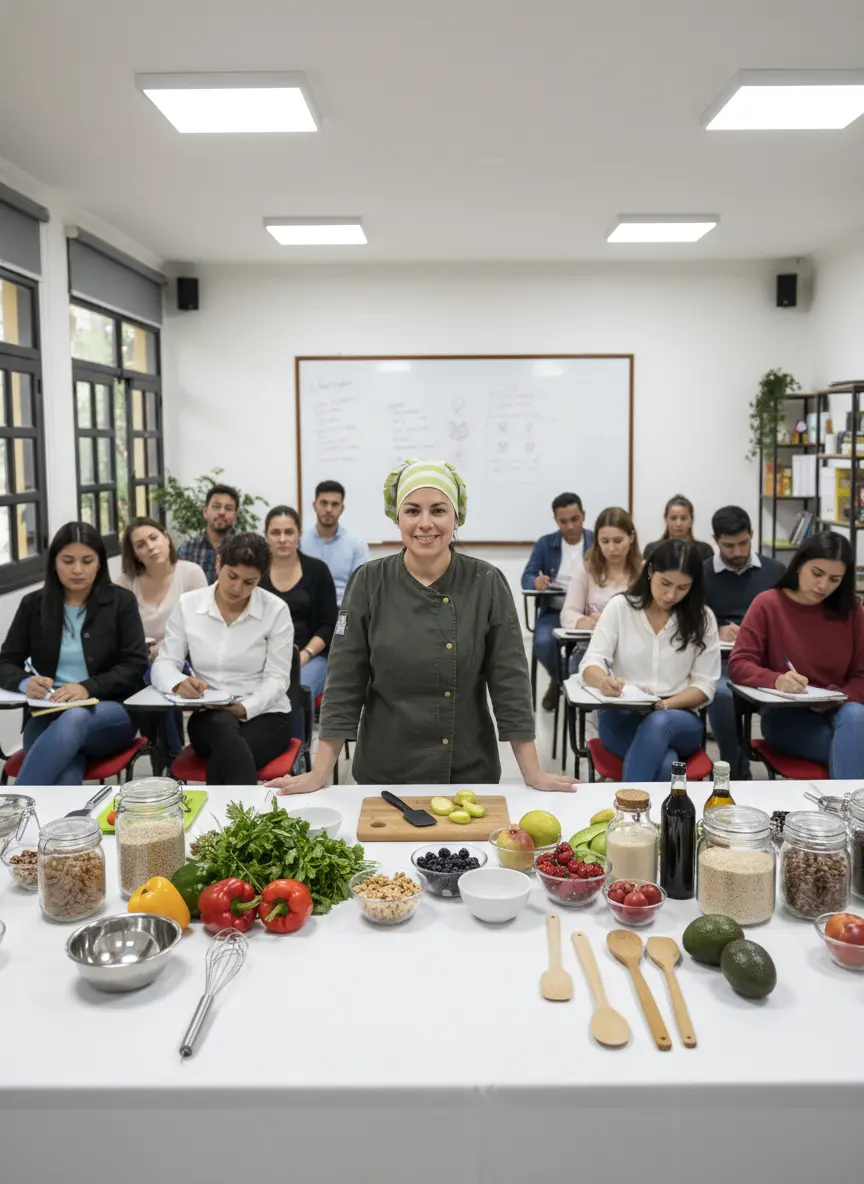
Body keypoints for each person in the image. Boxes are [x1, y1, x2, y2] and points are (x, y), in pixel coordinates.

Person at [267, 458, 577, 793]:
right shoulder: (369, 583)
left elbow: (510, 684)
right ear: (397, 517)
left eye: (438, 510)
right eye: (413, 510)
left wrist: (533, 772)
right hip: (384, 773)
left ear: (456, 516)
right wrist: (319, 773)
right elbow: (344, 683)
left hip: (468, 771)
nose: (425, 523)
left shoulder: (486, 582)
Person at [0, 522, 147, 785]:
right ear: (54, 562)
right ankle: (62, 824)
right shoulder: (33, 605)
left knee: (75, 715)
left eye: (87, 561)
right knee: (65, 769)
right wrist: (25, 682)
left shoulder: (120, 602)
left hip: (109, 715)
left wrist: (86, 688)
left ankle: (13, 807)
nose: (78, 570)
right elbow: (6, 662)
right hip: (46, 715)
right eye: (68, 561)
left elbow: (134, 665)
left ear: (100, 563)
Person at [151, 532, 295, 785]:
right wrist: (178, 683)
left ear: (261, 579)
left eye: (249, 582)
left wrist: (244, 708)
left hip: (267, 716)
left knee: (227, 753)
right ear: (218, 563)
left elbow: (278, 678)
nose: (237, 588)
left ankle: (222, 822)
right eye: (232, 576)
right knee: (223, 730)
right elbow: (164, 664)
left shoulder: (275, 610)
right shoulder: (189, 605)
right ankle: (249, 818)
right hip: (209, 717)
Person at [579, 539, 721, 781]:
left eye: (683, 588)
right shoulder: (620, 608)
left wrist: (663, 706)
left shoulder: (702, 619)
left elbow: (705, 685)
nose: (671, 595)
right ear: (650, 571)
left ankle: (626, 812)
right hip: (622, 716)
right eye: (665, 583)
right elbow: (590, 664)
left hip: (679, 717)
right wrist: (604, 681)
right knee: (667, 765)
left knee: (659, 722)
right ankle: (645, 817)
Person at [728, 531, 864, 779]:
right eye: (817, 574)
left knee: (855, 715)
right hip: (785, 718)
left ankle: (845, 814)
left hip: (841, 713)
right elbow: (739, 664)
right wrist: (776, 680)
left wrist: (840, 697)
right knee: (852, 750)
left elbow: (861, 675)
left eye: (835, 579)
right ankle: (853, 815)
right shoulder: (768, 604)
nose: (823, 586)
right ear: (800, 564)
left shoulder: (852, 611)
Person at [116, 516, 208, 762]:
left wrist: (165, 649)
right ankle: (168, 756)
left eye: (154, 538)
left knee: (162, 678)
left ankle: (168, 757)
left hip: (185, 656)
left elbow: (202, 626)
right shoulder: (126, 583)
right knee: (150, 677)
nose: (150, 546)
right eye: (141, 544)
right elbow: (119, 631)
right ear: (134, 553)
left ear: (166, 537)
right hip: (140, 659)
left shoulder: (190, 573)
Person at [702, 506, 784, 777]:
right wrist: (717, 629)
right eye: (728, 546)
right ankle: (735, 771)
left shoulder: (775, 572)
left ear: (752, 534)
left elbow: (787, 621)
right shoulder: (701, 575)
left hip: (766, 662)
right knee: (722, 695)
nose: (737, 552)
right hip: (721, 664)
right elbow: (688, 623)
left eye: (742, 543)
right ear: (715, 540)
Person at [521, 492, 594, 711]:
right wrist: (536, 582)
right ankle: (562, 681)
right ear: (556, 520)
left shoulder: (596, 541)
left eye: (575, 519)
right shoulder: (546, 543)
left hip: (588, 612)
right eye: (564, 521)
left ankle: (567, 683)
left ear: (583, 515)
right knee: (542, 643)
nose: (570, 526)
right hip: (554, 611)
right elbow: (526, 576)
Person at [259, 505, 337, 703]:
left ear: (299, 535)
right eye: (275, 533)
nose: (283, 539)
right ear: (266, 536)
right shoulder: (255, 573)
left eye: (289, 532)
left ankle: (296, 735)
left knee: (292, 693)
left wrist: (304, 655)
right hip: (264, 658)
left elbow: (329, 624)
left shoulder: (318, 571)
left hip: (310, 656)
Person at [561, 507, 642, 631]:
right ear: (597, 540)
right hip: (593, 643)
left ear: (631, 537)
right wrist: (584, 622)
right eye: (605, 541)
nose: (611, 548)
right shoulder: (586, 570)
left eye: (618, 541)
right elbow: (568, 613)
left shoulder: (645, 571)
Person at [300, 479, 369, 604]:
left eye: (335, 504)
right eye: (324, 503)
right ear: (314, 505)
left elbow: (361, 588)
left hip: (342, 610)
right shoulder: (300, 542)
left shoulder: (356, 543)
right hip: (308, 609)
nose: (328, 509)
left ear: (342, 508)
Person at [177, 483, 238, 584]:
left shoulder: (244, 548)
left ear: (235, 516)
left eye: (228, 508)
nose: (222, 512)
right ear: (205, 512)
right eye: (216, 506)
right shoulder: (187, 549)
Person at [643, 495, 714, 564]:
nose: (678, 524)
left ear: (691, 521)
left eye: (684, 518)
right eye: (673, 518)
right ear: (665, 519)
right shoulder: (653, 549)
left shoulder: (704, 550)